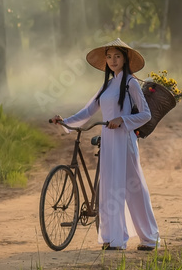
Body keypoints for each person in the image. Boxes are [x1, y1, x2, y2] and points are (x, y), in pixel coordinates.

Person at [51, 38, 160, 251]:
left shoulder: (131, 83)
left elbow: (145, 114)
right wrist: (65, 121)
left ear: (125, 58)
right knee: (110, 186)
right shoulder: (108, 85)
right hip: (109, 139)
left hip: (125, 140)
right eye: (109, 56)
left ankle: (149, 238)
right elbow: (88, 111)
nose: (112, 60)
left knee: (133, 188)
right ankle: (113, 238)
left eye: (117, 56)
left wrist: (123, 120)